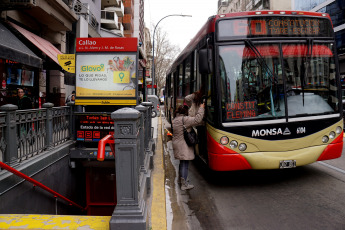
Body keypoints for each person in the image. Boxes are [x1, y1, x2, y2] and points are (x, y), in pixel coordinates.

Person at [172, 102, 205, 191]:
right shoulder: (185, 119)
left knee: (182, 162)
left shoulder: (175, 119)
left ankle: (181, 180)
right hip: (183, 145)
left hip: (177, 143)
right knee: (185, 164)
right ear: (185, 112)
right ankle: (184, 184)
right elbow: (197, 119)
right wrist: (201, 107)